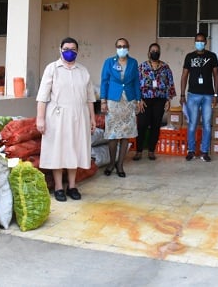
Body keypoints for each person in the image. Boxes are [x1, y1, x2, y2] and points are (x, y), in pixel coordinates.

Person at [36, 37, 97, 202]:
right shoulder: (52, 69)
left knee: (74, 150)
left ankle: (72, 186)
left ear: (77, 51)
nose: (69, 51)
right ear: (60, 49)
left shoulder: (83, 71)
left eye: (73, 49)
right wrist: (40, 119)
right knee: (58, 151)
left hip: (79, 116)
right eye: (66, 48)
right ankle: (58, 187)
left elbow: (90, 98)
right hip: (57, 116)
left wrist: (92, 117)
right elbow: (42, 96)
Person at [100, 38, 141, 178]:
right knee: (113, 134)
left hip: (128, 101)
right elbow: (104, 82)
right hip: (113, 101)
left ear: (128, 47)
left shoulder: (134, 62)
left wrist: (139, 99)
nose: (122, 48)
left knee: (125, 134)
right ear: (116, 47)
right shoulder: (109, 62)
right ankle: (112, 163)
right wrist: (103, 101)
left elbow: (136, 82)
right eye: (119, 46)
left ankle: (120, 165)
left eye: (124, 46)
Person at [180, 32, 218, 162]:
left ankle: (204, 152)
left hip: (208, 95)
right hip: (193, 95)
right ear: (194, 41)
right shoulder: (189, 57)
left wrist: (216, 94)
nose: (200, 43)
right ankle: (191, 151)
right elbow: (184, 75)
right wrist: (182, 94)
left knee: (207, 125)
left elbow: (216, 75)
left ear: (206, 42)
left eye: (202, 41)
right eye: (197, 41)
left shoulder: (212, 56)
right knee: (192, 125)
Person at [134, 43, 176, 161]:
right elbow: (136, 83)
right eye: (152, 50)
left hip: (160, 100)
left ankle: (151, 151)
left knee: (155, 125)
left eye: (157, 50)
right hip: (145, 100)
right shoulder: (142, 67)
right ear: (148, 53)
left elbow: (170, 84)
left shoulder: (165, 68)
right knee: (142, 125)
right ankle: (139, 151)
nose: (155, 52)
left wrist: (168, 99)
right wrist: (138, 99)